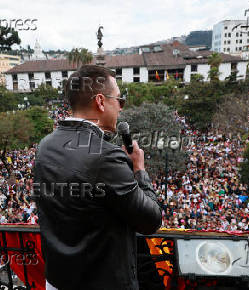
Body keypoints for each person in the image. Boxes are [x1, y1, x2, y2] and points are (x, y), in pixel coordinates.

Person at [33, 65, 162, 290]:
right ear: (101, 102)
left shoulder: (45, 145)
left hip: (57, 279)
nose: (121, 108)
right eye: (120, 100)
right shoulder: (105, 156)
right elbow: (151, 220)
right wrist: (139, 170)